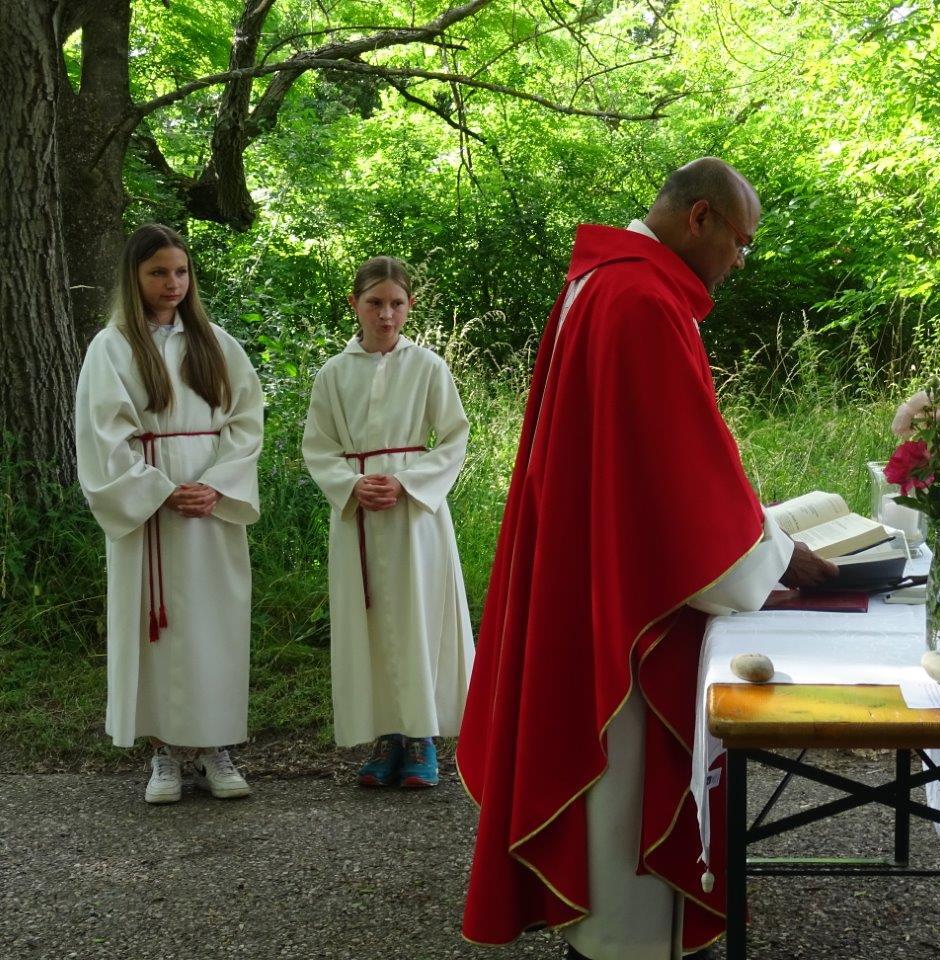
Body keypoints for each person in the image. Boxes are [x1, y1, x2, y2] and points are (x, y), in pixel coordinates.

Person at [456, 158, 836, 959]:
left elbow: (663, 463)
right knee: (622, 804)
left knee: (609, 809)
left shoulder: (608, 282)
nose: (740, 261)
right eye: (740, 242)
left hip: (593, 561)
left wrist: (761, 537)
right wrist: (777, 556)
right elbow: (678, 489)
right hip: (624, 592)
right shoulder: (640, 300)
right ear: (701, 218)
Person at [75, 223, 263, 804]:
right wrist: (157, 490)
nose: (172, 283)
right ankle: (164, 752)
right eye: (158, 272)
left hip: (210, 509)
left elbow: (246, 423)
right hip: (150, 513)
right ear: (134, 276)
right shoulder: (112, 347)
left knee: (213, 626)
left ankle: (214, 746)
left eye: (180, 271)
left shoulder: (216, 343)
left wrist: (216, 485)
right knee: (154, 629)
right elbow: (102, 438)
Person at [302, 256, 473, 789]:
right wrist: (351, 484)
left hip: (415, 516)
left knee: (418, 617)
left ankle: (421, 736)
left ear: (410, 306)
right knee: (369, 621)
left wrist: (407, 482)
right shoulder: (333, 374)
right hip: (358, 515)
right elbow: (318, 446)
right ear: (354, 304)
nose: (385, 314)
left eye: (396, 304)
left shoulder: (428, 368)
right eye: (374, 303)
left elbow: (454, 437)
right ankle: (385, 735)